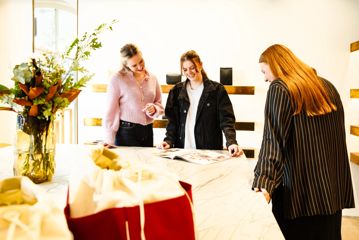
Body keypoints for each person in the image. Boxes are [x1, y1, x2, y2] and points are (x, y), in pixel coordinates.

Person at [252, 44, 355, 239]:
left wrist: (263, 182)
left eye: (264, 71)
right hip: (331, 192)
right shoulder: (326, 86)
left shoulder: (280, 88)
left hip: (300, 197)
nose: (265, 78)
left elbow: (273, 141)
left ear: (276, 65)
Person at [159, 50, 243, 157]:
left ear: (200, 65)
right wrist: (168, 140)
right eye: (185, 69)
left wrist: (231, 142)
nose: (189, 72)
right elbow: (172, 122)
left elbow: (227, 121)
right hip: (183, 151)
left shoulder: (217, 90)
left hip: (209, 153)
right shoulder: (176, 91)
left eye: (192, 67)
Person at [103, 43, 164, 147]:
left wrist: (154, 109)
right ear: (126, 64)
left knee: (147, 163)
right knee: (129, 163)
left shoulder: (153, 78)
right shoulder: (117, 79)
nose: (140, 67)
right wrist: (109, 139)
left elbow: (159, 104)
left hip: (148, 130)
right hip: (126, 132)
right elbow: (110, 112)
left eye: (141, 61)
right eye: (134, 65)